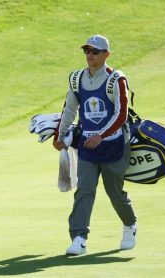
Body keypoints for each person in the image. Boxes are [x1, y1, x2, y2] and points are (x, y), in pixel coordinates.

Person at [53, 35, 137, 255]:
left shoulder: (116, 79)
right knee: (84, 190)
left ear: (106, 55)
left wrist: (101, 135)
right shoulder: (77, 79)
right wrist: (60, 135)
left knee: (115, 193)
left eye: (95, 51)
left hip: (113, 145)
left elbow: (122, 114)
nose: (90, 55)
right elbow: (69, 109)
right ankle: (79, 238)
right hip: (87, 148)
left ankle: (130, 224)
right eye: (87, 51)